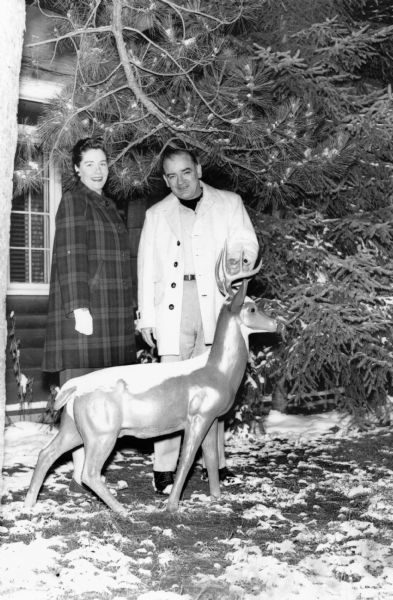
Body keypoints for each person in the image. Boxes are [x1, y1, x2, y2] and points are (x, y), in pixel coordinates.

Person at [137, 143, 259, 494]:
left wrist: (240, 259)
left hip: (215, 305)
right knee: (169, 393)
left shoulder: (228, 203)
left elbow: (245, 242)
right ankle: (164, 468)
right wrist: (147, 317)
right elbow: (147, 269)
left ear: (199, 170)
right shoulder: (156, 214)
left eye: (186, 173)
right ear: (165, 180)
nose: (180, 182)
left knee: (212, 388)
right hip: (172, 308)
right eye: (172, 176)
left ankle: (214, 464)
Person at [42, 137, 136, 495]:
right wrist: (79, 307)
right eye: (90, 164)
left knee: (101, 398)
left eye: (103, 163)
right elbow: (70, 256)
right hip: (87, 315)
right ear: (77, 168)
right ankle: (82, 474)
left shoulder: (108, 205)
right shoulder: (74, 201)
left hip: (111, 316)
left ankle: (90, 471)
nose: (98, 170)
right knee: (83, 398)